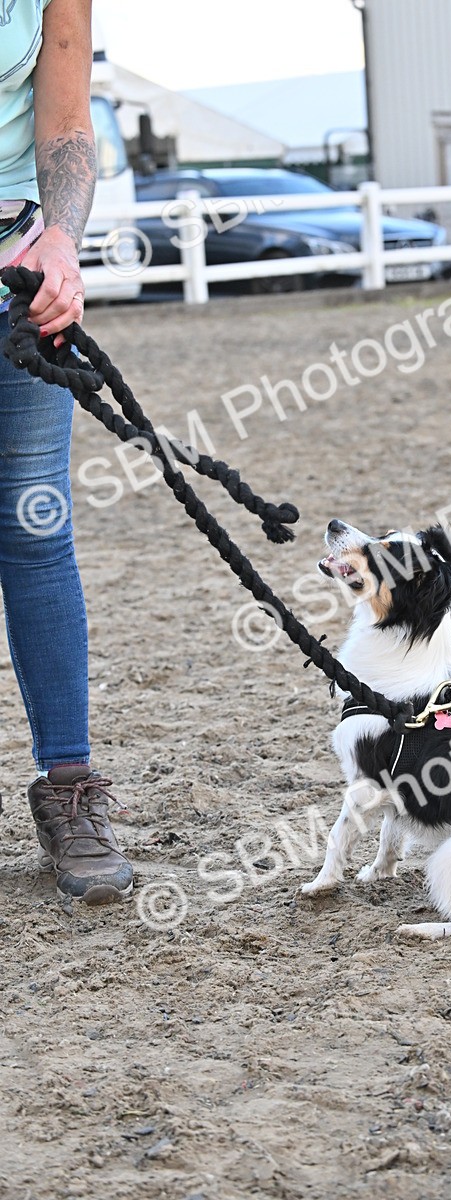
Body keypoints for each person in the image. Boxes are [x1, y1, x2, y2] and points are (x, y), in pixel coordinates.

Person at [0, 0, 133, 904]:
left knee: (36, 529)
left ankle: (71, 789)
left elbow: (65, 122)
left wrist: (63, 239)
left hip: (15, 270)